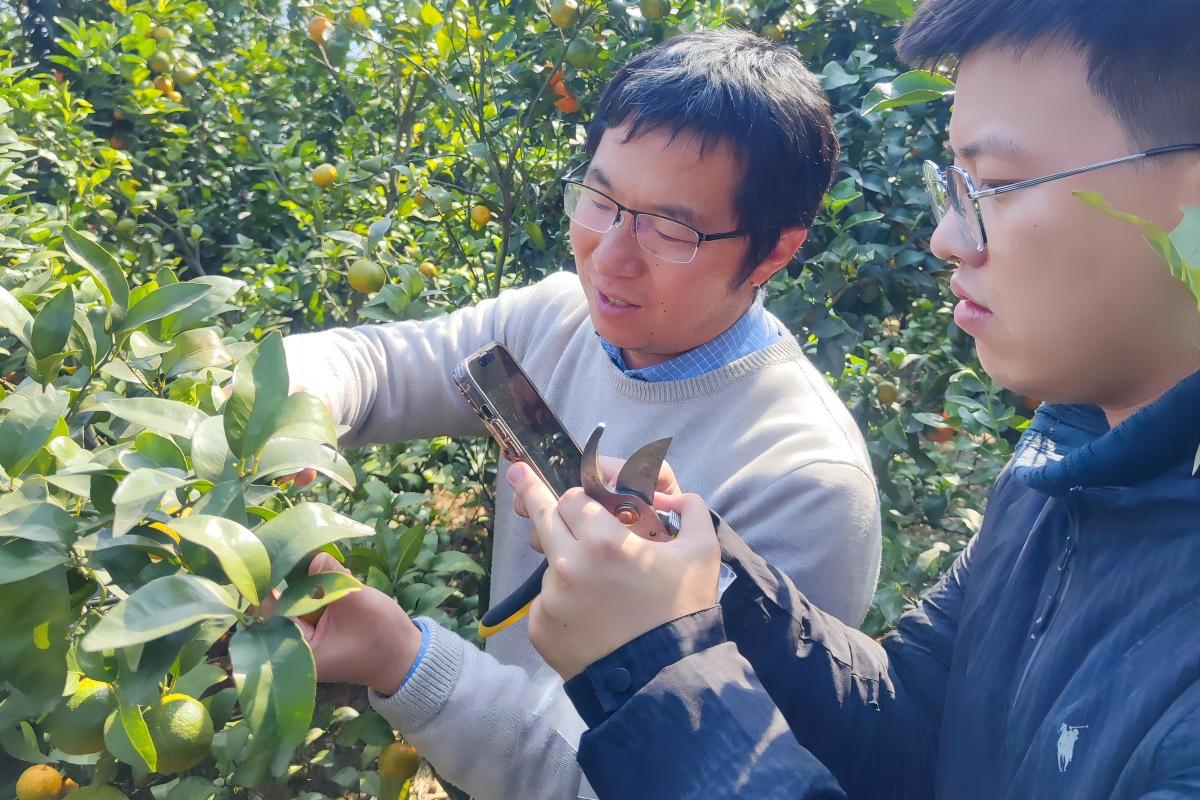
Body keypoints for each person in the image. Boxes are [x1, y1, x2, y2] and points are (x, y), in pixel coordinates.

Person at [509, 1, 1200, 797]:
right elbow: (911, 727)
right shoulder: (1058, 471)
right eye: (957, 183)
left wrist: (658, 675)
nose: (947, 237)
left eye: (999, 185)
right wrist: (708, 582)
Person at [285, 29, 882, 800]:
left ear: (774, 251)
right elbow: (374, 364)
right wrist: (294, 409)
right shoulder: (558, 320)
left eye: (671, 230)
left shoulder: (804, 485)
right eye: (600, 200)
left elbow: (656, 774)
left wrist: (403, 659)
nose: (610, 256)